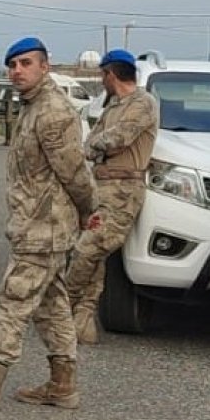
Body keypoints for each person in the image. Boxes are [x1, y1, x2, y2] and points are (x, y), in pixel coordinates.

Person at [0, 37, 94, 412]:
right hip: (37, 225)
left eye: (26, 63)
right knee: (52, 305)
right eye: (12, 65)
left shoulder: (52, 112)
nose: (17, 71)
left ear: (45, 66)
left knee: (12, 301)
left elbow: (74, 171)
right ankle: (63, 385)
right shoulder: (32, 106)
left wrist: (91, 209)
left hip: (44, 228)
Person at [64, 49, 158, 344]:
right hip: (101, 185)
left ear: (110, 74)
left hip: (123, 189)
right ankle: (83, 319)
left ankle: (62, 305)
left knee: (88, 249)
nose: (101, 81)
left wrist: (97, 147)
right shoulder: (113, 106)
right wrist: (97, 146)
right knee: (96, 254)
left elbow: (118, 139)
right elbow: (93, 141)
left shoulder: (143, 103)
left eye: (102, 75)